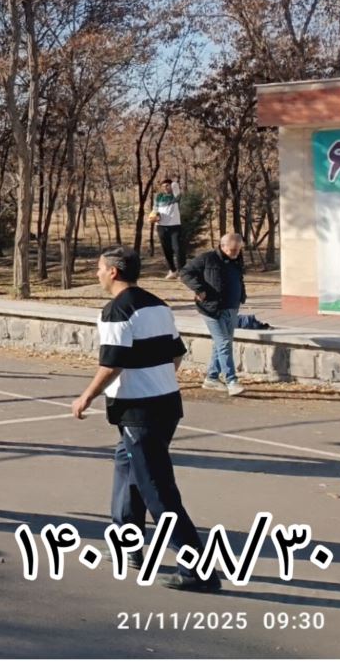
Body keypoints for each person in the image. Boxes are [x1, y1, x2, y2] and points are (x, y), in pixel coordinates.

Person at [72, 246, 221, 593]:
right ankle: (128, 546)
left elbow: (112, 363)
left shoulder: (116, 311)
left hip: (141, 412)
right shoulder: (158, 305)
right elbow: (177, 353)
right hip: (164, 405)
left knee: (157, 490)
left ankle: (198, 570)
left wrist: (86, 396)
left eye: (99, 268)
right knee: (127, 471)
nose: (97, 274)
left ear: (113, 272)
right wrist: (158, 379)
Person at [179, 233, 248, 397]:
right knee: (224, 343)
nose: (235, 253)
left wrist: (241, 295)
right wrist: (199, 289)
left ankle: (211, 378)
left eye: (238, 250)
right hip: (211, 309)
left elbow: (239, 278)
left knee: (221, 344)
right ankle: (231, 381)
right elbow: (185, 272)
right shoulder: (207, 258)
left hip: (231, 307)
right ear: (222, 246)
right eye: (232, 250)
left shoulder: (237, 259)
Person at [150, 177, 185, 278]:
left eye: (167, 186)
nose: (165, 188)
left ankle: (182, 272)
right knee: (166, 250)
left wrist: (171, 181)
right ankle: (173, 270)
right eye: (163, 186)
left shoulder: (175, 196)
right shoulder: (159, 197)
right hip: (161, 226)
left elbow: (175, 185)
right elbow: (155, 209)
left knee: (178, 249)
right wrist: (154, 216)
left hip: (174, 226)